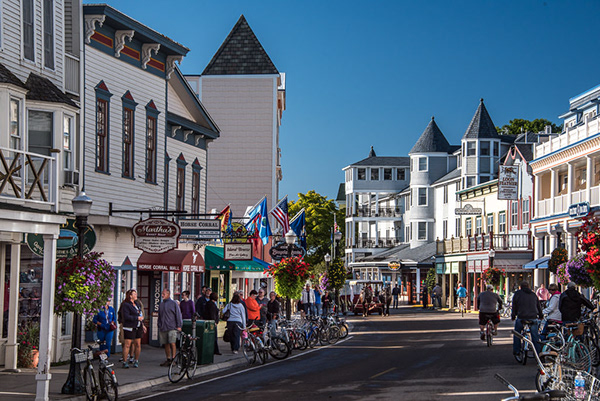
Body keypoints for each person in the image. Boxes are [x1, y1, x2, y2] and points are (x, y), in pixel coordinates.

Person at [511, 281, 543, 355]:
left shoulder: (517, 294)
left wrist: (513, 316)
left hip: (521, 316)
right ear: (528, 286)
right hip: (533, 316)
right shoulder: (533, 294)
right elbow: (538, 306)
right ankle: (538, 353)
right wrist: (540, 315)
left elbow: (514, 305)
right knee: (535, 335)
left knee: (517, 333)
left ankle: (517, 350)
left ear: (521, 287)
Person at [120, 289, 145, 368]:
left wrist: (142, 324)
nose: (136, 295)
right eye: (134, 294)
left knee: (138, 344)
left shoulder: (137, 304)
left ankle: (136, 360)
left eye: (136, 294)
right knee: (127, 344)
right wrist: (136, 318)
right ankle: (125, 361)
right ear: (130, 296)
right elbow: (126, 316)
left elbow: (140, 314)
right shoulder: (126, 305)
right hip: (129, 326)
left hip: (138, 326)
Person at [158, 289, 183, 367]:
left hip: (172, 326)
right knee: (166, 343)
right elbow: (159, 315)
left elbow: (178, 315)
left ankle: (173, 359)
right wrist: (159, 324)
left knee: (172, 342)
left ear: (168, 294)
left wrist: (179, 325)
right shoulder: (161, 304)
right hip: (163, 327)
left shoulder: (173, 303)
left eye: (164, 294)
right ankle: (168, 359)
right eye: (162, 294)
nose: (162, 295)